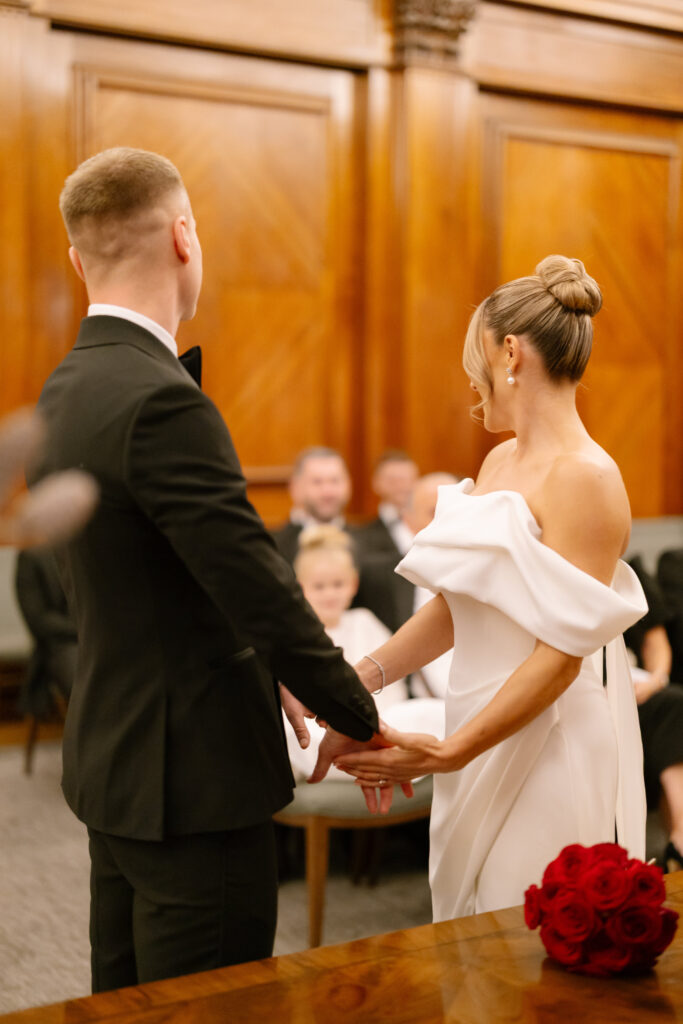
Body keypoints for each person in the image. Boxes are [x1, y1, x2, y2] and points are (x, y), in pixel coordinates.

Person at [30, 147, 382, 992]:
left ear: (78, 261)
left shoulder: (61, 390)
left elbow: (151, 581)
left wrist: (269, 667)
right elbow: (259, 587)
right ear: (185, 238)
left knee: (121, 999)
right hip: (193, 784)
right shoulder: (161, 400)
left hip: (114, 762)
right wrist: (360, 717)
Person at [325, 255, 648, 920]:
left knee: (521, 935)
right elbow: (458, 605)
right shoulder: (499, 459)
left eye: (473, 357)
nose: (469, 380)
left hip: (546, 737)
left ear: (509, 352)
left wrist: (449, 751)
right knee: (465, 930)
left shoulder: (587, 479)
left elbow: (559, 656)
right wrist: (359, 681)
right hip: (469, 726)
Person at [281, 525, 441, 781]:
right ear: (300, 588)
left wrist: (375, 724)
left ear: (353, 584)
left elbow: (393, 683)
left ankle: (381, 754)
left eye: (337, 584)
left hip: (377, 719)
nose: (330, 594)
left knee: (433, 712)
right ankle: (372, 761)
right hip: (318, 729)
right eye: (319, 587)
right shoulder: (292, 633)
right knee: (294, 736)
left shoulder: (364, 621)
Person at [625, 556, 683, 873]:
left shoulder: (628, 573)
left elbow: (656, 643)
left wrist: (655, 679)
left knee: (672, 702)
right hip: (587, 690)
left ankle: (680, 838)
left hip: (638, 686)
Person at [271, 447, 353, 563]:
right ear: (295, 488)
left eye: (335, 481)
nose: (327, 492)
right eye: (317, 482)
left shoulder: (370, 544)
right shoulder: (272, 547)